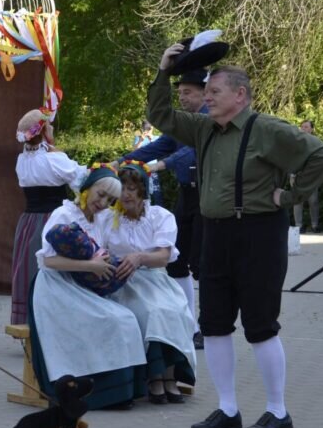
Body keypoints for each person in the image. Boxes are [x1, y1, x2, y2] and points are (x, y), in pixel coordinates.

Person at [148, 45, 323, 428]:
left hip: (259, 234)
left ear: (240, 95)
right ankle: (228, 408)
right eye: (207, 90)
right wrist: (163, 72)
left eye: (215, 90)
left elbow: (321, 155)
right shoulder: (203, 129)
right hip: (214, 233)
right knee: (213, 323)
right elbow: (160, 115)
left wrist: (290, 197)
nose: (208, 96)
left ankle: (277, 411)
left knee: (260, 323)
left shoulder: (267, 129)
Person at [28, 165, 149, 410]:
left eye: (110, 199)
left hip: (83, 284)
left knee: (126, 317)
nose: (103, 202)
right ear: (87, 189)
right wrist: (89, 266)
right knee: (110, 320)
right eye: (100, 194)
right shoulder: (64, 214)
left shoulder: (101, 218)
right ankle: (91, 392)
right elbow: (47, 261)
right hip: (55, 287)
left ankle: (121, 391)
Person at [119, 67, 207, 348]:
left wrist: (164, 164)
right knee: (175, 261)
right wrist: (122, 162)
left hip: (209, 198)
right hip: (187, 195)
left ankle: (207, 327)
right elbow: (156, 147)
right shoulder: (181, 124)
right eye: (179, 93)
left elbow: (190, 151)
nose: (182, 98)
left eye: (188, 93)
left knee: (204, 265)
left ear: (205, 94)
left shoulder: (210, 121)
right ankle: (187, 323)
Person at [97, 161, 197, 404]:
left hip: (156, 279)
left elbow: (163, 256)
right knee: (150, 311)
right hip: (124, 282)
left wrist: (140, 257)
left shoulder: (160, 216)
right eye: (122, 188)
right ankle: (155, 377)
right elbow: (98, 250)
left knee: (173, 309)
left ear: (143, 191)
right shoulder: (108, 218)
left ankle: (170, 376)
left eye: (132, 188)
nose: (126, 194)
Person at [9, 109, 86, 324]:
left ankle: (28, 321)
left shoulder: (21, 161)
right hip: (55, 220)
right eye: (49, 126)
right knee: (58, 268)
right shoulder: (55, 159)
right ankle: (57, 321)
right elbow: (81, 180)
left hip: (29, 222)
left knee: (29, 268)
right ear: (43, 131)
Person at [292, 120, 321, 233]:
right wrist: (291, 173)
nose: (304, 129)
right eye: (302, 127)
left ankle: (315, 225)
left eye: (306, 127)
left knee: (313, 201)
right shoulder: (295, 142)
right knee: (298, 201)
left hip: (312, 176)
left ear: (311, 129)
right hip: (296, 175)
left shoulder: (317, 142)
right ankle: (298, 225)